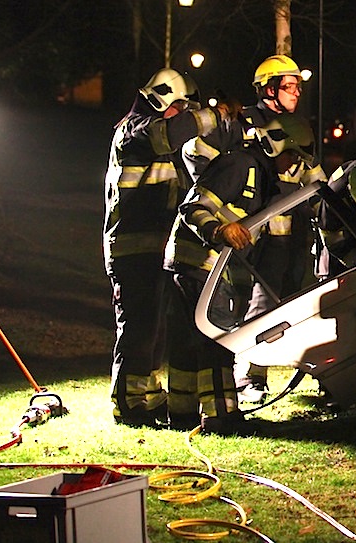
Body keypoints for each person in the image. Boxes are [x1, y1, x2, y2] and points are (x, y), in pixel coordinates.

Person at [163, 112, 316, 432]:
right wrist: (219, 230)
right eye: (292, 156)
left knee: (187, 342)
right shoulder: (240, 166)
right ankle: (221, 416)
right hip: (199, 262)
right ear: (275, 145)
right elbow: (193, 208)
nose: (293, 165)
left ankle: (182, 413)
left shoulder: (264, 177)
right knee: (216, 340)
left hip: (207, 267)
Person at [103, 68, 227, 427]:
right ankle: (128, 403)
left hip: (153, 247)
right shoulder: (135, 130)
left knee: (154, 328)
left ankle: (149, 396)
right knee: (138, 327)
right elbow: (170, 133)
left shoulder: (157, 137)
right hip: (132, 248)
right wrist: (215, 115)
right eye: (180, 107)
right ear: (160, 99)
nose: (183, 115)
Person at [235, 55, 327, 403]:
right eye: (290, 86)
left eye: (299, 87)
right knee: (260, 304)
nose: (297, 93)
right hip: (260, 235)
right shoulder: (246, 123)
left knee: (285, 305)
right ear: (269, 89)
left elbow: (313, 177)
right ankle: (248, 376)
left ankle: (264, 369)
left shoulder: (298, 126)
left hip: (294, 234)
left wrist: (331, 206)